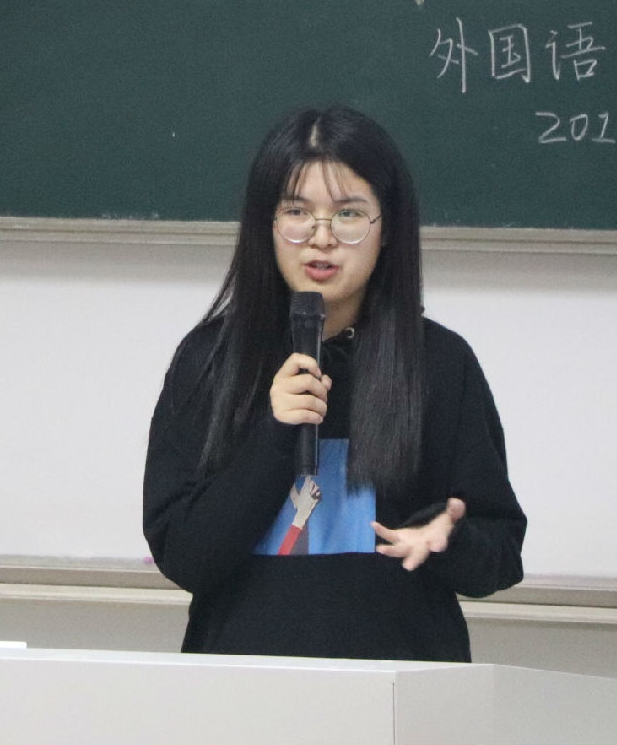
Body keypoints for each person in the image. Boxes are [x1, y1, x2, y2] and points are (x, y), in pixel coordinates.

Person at [143, 105, 526, 661]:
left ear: (386, 229)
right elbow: (184, 558)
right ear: (267, 224)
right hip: (243, 687)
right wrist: (274, 434)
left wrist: (451, 539)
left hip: (401, 688)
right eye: (297, 212)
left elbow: (501, 556)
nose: (321, 239)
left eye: (348, 215)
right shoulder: (211, 360)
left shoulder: (439, 363)